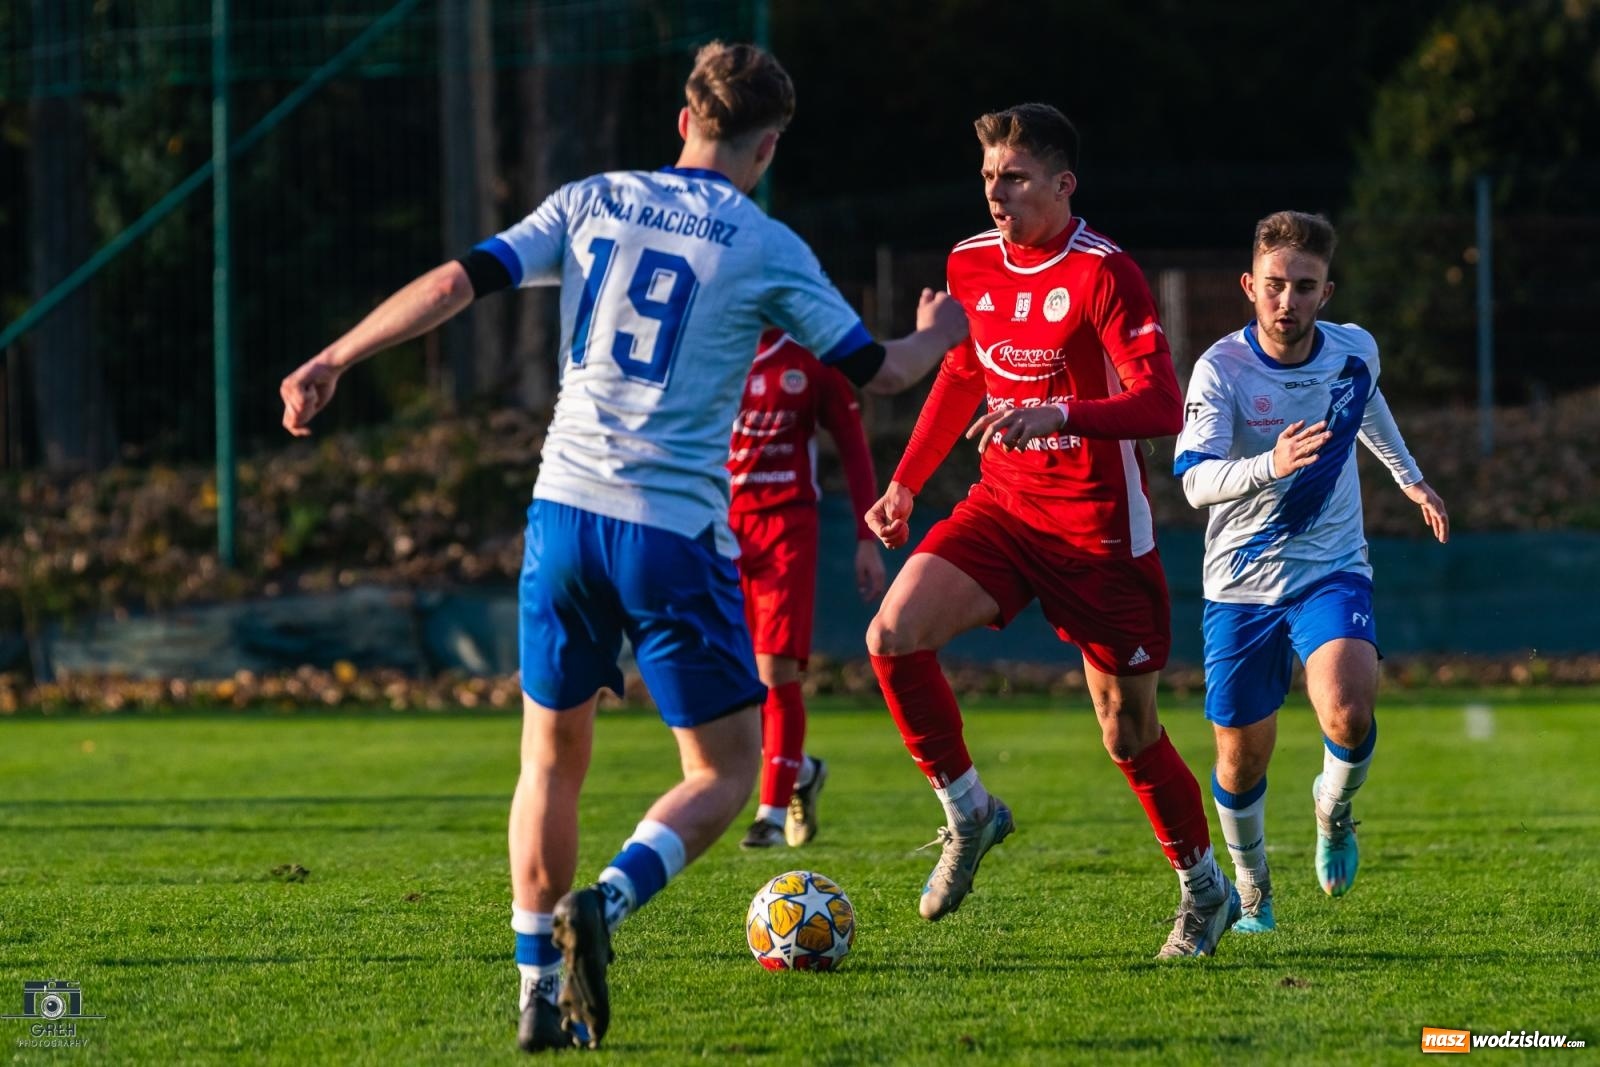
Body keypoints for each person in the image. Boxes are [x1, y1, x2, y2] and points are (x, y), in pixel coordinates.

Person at [279, 41, 967, 1052]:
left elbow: (458, 281)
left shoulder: (591, 198)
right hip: (669, 528)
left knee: (548, 763)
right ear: (767, 144)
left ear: (684, 118)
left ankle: (533, 990)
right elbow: (880, 372)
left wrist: (334, 354)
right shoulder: (764, 243)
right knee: (729, 768)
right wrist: (943, 333)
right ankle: (604, 898)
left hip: (561, 513)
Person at [864, 102, 1240, 960]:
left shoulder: (1107, 272)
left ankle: (1202, 888)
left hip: (1097, 530)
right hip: (1001, 508)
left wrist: (1059, 411)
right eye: (990, 176)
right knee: (891, 634)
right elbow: (963, 369)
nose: (998, 192)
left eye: (1018, 177)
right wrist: (906, 481)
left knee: (1126, 732)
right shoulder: (968, 263)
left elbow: (1163, 404)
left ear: (1063, 185)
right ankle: (970, 811)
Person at [1174, 210, 1449, 933]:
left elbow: (1365, 402)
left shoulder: (1355, 350)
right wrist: (1272, 463)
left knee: (1351, 712)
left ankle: (1332, 807)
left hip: (1330, 568)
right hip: (1238, 583)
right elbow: (1194, 483)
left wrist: (1410, 479)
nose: (1287, 301)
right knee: (1239, 759)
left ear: (1327, 292)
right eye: (1274, 285)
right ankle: (1253, 887)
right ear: (1249, 286)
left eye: (1304, 286)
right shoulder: (1220, 370)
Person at [728, 328, 886, 850]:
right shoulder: (705, 343)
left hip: (784, 530)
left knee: (775, 673)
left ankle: (770, 815)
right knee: (724, 686)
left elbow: (853, 446)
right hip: (714, 530)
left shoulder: (808, 360)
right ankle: (800, 772)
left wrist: (867, 538)